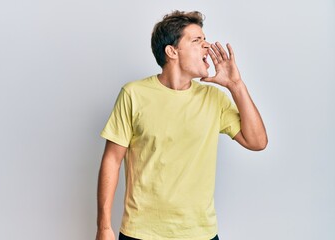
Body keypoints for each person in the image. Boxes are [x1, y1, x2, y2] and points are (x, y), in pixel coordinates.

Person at [96, 10, 268, 240]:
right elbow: (112, 160)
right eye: (197, 40)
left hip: (200, 233)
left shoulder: (214, 99)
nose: (207, 46)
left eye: (205, 39)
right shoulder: (133, 94)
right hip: (141, 232)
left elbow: (257, 142)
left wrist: (236, 85)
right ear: (172, 51)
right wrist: (104, 227)